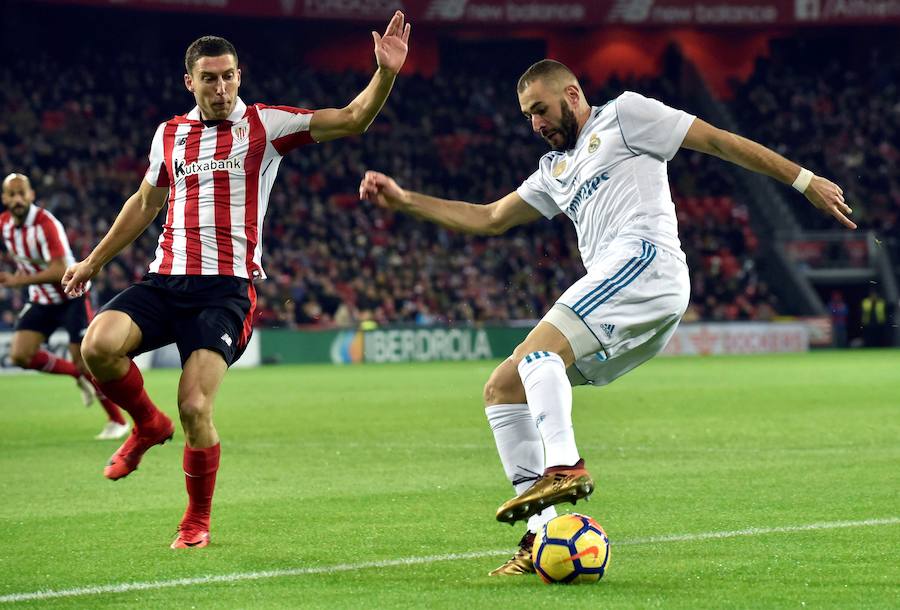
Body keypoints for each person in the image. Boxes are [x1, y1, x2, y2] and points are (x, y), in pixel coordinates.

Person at [359, 59, 855, 576]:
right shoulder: (553, 171)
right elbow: (489, 217)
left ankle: (565, 465)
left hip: (646, 261)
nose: (535, 124)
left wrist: (803, 181)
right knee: (504, 387)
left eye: (541, 110)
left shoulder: (625, 116)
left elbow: (719, 141)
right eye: (527, 116)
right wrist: (405, 200)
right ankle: (541, 533)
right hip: (632, 297)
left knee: (537, 354)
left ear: (572, 94)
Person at [63, 13, 411, 549]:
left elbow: (350, 119)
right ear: (190, 82)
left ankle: (195, 522)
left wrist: (384, 74)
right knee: (98, 346)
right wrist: (91, 263)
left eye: (228, 76)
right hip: (165, 280)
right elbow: (144, 203)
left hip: (225, 290)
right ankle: (147, 425)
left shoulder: (265, 125)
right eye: (210, 78)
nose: (221, 87)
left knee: (196, 407)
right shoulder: (169, 134)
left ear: (239, 76)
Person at [0, 173, 129, 440]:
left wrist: (17, 281)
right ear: (4, 199)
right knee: (20, 355)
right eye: (11, 195)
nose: (17, 199)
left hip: (72, 295)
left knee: (85, 361)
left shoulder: (46, 224)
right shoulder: (4, 225)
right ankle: (75, 374)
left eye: (21, 193)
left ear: (31, 195)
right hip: (42, 299)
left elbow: (59, 270)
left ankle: (118, 421)